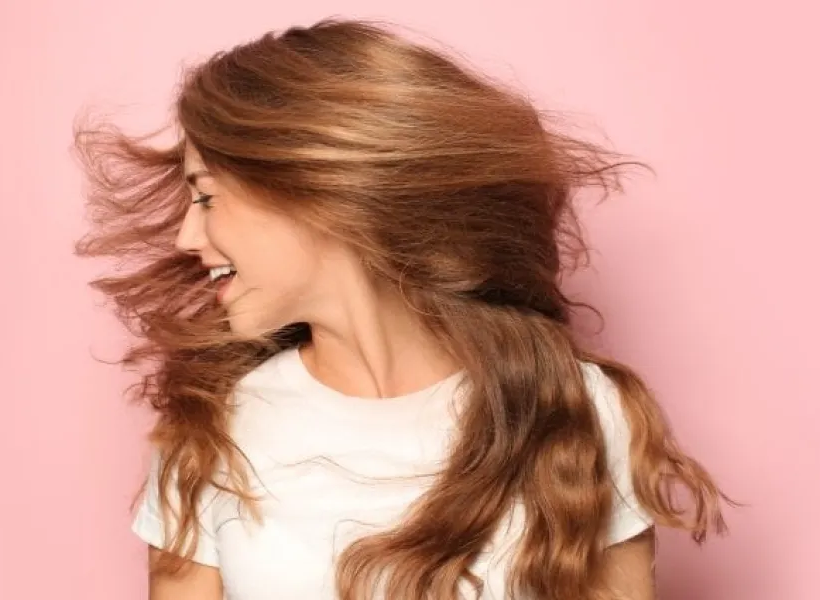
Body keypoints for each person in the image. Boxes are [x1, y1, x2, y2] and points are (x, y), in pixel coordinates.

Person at [73, 18, 728, 600]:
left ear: (317, 189)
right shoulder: (210, 433)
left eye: (208, 196)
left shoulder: (575, 411)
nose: (188, 236)